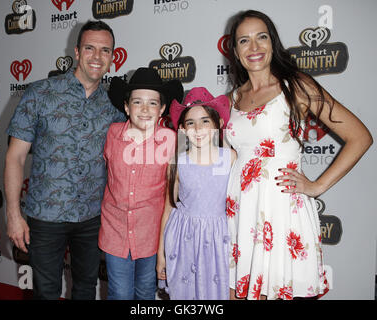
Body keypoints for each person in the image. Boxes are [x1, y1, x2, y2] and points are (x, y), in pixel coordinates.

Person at [225, 10, 373, 300]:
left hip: (280, 213)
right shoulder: (233, 97)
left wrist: (317, 186)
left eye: (261, 37)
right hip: (240, 214)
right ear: (235, 50)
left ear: (273, 42)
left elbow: (360, 137)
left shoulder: (297, 86)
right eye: (245, 40)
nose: (254, 47)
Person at [4, 20, 125, 300]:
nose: (97, 57)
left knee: (85, 289)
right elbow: (15, 156)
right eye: (90, 48)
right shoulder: (40, 93)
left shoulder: (115, 106)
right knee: (45, 292)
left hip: (93, 217)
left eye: (105, 50)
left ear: (112, 57)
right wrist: (13, 215)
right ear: (77, 51)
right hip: (46, 215)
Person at [98, 67, 183, 300]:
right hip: (116, 231)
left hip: (152, 234)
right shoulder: (112, 134)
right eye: (137, 102)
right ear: (126, 106)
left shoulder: (173, 139)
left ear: (163, 108)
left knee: (145, 292)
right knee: (119, 293)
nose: (145, 110)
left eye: (153, 103)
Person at [156, 87, 236, 300]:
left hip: (219, 241)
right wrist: (160, 255)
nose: (198, 128)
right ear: (182, 129)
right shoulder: (177, 162)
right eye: (190, 123)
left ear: (218, 124)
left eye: (205, 121)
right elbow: (168, 209)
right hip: (183, 239)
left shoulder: (230, 157)